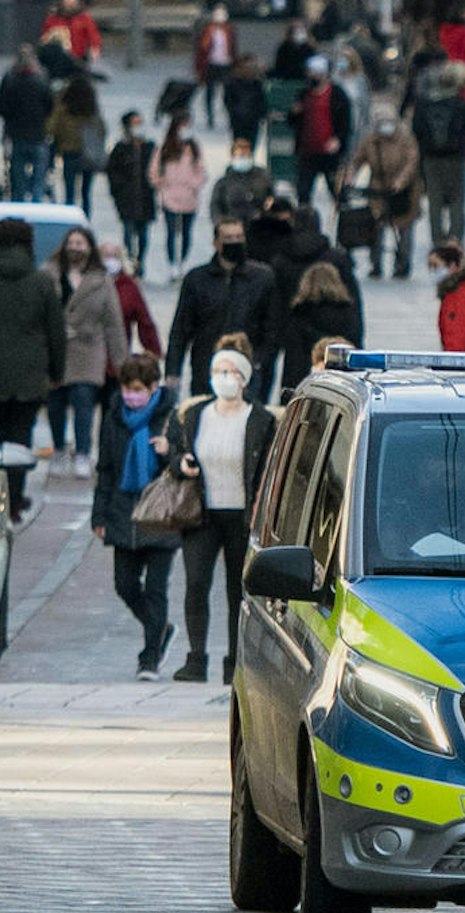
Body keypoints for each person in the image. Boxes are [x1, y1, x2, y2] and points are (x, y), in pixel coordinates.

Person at [164, 348, 276, 683]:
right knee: (196, 584)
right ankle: (195, 659)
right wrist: (180, 463)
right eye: (218, 370)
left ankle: (234, 663)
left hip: (242, 517)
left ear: (243, 379)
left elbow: (268, 468)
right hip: (201, 513)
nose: (223, 377)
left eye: (231, 371)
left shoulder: (260, 419)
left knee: (237, 591)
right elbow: (174, 451)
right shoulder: (195, 414)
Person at [92, 354, 181, 680]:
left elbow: (188, 460)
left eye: (137, 389)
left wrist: (168, 451)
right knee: (124, 584)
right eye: (126, 389)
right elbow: (105, 469)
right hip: (122, 512)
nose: (130, 396)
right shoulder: (115, 416)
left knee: (156, 590)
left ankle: (150, 659)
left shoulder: (172, 415)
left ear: (153, 387)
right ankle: (160, 629)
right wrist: (98, 514)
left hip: (160, 516)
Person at [164, 218, 281, 398]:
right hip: (207, 369)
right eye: (228, 237)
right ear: (216, 243)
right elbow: (181, 328)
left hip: (248, 370)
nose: (234, 242)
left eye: (238, 236)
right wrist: (173, 372)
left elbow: (273, 327)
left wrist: (260, 361)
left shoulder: (262, 278)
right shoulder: (197, 280)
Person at [43, 226, 124, 480]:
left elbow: (113, 323)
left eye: (81, 243)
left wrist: (121, 363)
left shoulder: (101, 280)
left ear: (89, 247)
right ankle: (58, 449)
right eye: (72, 243)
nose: (76, 248)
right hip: (55, 350)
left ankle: (82, 453)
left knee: (84, 402)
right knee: (55, 403)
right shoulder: (49, 274)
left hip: (89, 351)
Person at [0, 219, 65, 528]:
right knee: (19, 437)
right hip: (29, 374)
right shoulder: (41, 282)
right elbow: (56, 332)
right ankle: (13, 498)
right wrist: (56, 371)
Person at [347, 108, 420, 279]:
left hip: (404, 191)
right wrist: (350, 176)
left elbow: (412, 162)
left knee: (403, 227)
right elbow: (357, 159)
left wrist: (400, 182)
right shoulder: (370, 141)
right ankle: (376, 264)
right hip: (378, 188)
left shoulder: (406, 139)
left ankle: (402, 263)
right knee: (376, 226)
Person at [414, 61, 465, 248]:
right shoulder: (460, 104)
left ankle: (437, 239)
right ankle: (455, 238)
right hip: (456, 158)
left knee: (435, 199)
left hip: (431, 158)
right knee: (457, 199)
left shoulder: (424, 104)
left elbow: (417, 131)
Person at [282, 262, 361, 393]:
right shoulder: (347, 310)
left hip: (307, 376)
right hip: (343, 379)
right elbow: (356, 339)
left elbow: (293, 355)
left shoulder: (300, 312)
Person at [287, 56, 353, 213]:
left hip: (330, 154)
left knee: (337, 192)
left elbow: (346, 122)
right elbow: (292, 121)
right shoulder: (303, 95)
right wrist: (294, 113)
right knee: (303, 192)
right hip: (307, 152)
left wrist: (338, 139)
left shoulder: (337, 95)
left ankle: (344, 224)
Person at [148, 113, 206, 280]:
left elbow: (201, 170)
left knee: (187, 232)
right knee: (172, 232)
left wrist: (194, 184)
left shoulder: (194, 148)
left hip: (189, 198)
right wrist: (161, 183)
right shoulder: (165, 148)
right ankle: (172, 263)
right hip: (170, 196)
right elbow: (154, 170)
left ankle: (182, 261)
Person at [0, 47, 54, 203]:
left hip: (16, 134)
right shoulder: (42, 80)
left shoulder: (10, 80)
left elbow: (3, 106)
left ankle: (20, 205)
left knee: (18, 176)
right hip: (38, 134)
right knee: (39, 176)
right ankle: (36, 205)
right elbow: (50, 105)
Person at [106, 111, 156, 274]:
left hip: (145, 197)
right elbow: (112, 171)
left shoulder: (149, 147)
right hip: (126, 197)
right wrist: (118, 190)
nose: (138, 127)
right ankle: (129, 260)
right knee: (128, 230)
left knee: (143, 233)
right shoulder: (121, 148)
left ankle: (140, 261)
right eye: (135, 123)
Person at [48, 72, 103, 216]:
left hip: (69, 151)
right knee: (86, 193)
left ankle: (70, 222)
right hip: (88, 153)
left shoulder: (64, 108)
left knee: (70, 192)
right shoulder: (92, 108)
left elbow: (51, 128)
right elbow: (102, 129)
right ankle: (85, 222)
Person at [97, 243, 160, 356]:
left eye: (114, 256)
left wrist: (153, 351)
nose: (110, 260)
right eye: (106, 256)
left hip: (120, 351)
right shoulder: (89, 284)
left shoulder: (129, 286)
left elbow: (144, 321)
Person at [208, 137, 272, 226]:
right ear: (233, 158)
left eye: (247, 155)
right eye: (240, 156)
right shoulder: (224, 183)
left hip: (259, 228)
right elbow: (215, 206)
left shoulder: (262, 178)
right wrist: (221, 223)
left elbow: (271, 199)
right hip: (233, 229)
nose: (244, 158)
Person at [194, 5, 236, 129]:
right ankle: (210, 117)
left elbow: (233, 48)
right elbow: (202, 49)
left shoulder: (229, 30)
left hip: (226, 64)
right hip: (211, 63)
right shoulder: (208, 29)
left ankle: (230, 118)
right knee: (210, 92)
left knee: (228, 93)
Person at [222, 53, 267, 147]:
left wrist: (261, 115)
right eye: (247, 67)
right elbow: (228, 101)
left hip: (253, 121)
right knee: (240, 146)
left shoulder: (257, 84)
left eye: (253, 67)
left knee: (252, 145)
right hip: (238, 120)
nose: (250, 70)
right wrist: (235, 114)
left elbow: (261, 101)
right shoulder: (232, 83)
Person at [40, 0, 100, 66]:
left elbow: (93, 35)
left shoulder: (84, 18)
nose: (69, 1)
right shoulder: (52, 18)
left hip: (78, 57)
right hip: (58, 57)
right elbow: (44, 36)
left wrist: (95, 47)